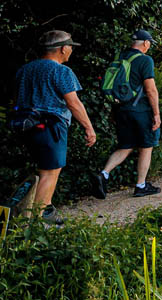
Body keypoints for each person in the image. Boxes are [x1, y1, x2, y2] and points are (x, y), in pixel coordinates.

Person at [10, 31, 97, 222]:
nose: (71, 50)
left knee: (42, 171)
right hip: (50, 126)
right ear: (62, 48)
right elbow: (73, 103)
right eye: (70, 47)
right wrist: (89, 128)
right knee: (51, 172)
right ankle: (34, 222)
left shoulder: (25, 70)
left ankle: (40, 213)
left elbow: (16, 100)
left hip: (25, 126)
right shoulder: (61, 71)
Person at [97, 29, 162, 198]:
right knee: (146, 146)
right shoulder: (145, 60)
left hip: (121, 110)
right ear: (146, 43)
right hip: (140, 110)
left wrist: (113, 111)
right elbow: (151, 90)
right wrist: (156, 114)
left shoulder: (120, 57)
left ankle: (104, 173)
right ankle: (141, 185)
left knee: (126, 145)